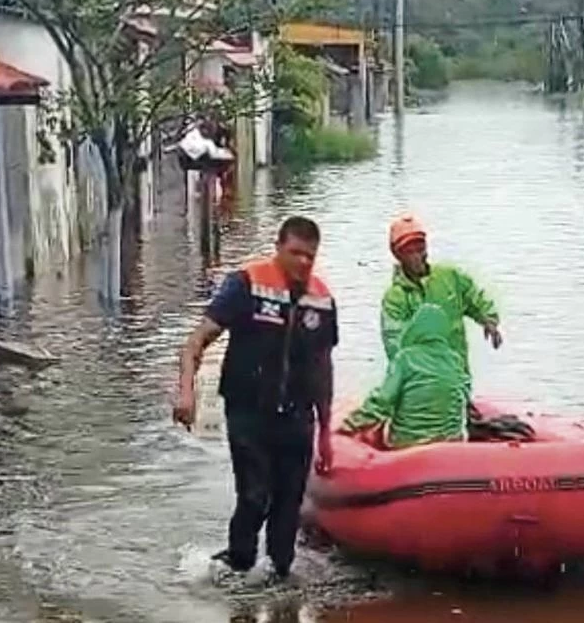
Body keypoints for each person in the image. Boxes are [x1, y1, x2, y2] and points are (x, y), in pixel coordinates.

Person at [172, 216, 337, 580]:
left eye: (310, 255)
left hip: (297, 416)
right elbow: (195, 342)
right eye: (295, 253)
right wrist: (187, 392)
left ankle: (280, 577)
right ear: (279, 248)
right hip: (249, 412)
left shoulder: (322, 301)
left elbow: (322, 368)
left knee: (288, 505)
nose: (303, 263)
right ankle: (236, 566)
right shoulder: (246, 284)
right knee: (255, 497)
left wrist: (326, 433)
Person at [381, 214, 503, 376]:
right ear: (398, 256)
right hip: (420, 381)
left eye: (420, 248)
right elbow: (394, 342)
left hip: (457, 374)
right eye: (410, 252)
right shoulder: (395, 298)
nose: (417, 256)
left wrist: (489, 320)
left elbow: (473, 297)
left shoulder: (449, 277)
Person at [339, 303, 471, 449]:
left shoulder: (405, 359)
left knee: (378, 425)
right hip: (451, 445)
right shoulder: (456, 361)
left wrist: (348, 427)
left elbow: (383, 401)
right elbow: (464, 396)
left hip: (408, 444)